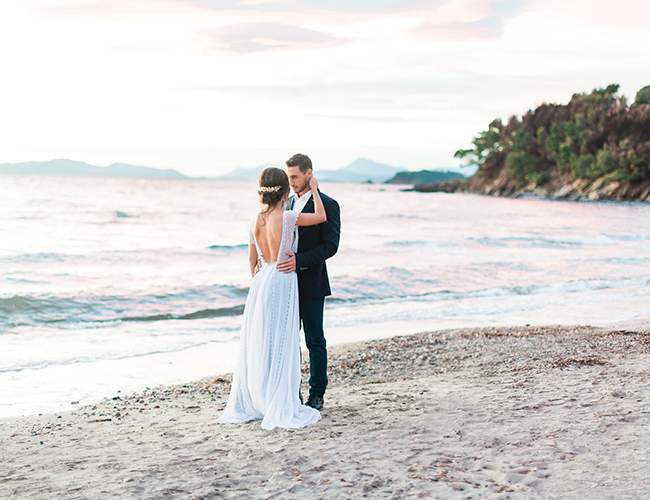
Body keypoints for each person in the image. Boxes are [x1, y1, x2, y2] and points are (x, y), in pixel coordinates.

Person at [217, 166, 327, 430]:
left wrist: (260, 279)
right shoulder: (288, 217)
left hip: (261, 283)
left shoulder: (255, 220)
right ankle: (278, 399)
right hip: (282, 279)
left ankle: (260, 397)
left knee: (262, 341)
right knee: (282, 340)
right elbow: (321, 216)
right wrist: (314, 188)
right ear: (285, 191)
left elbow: (252, 261)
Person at [277, 154, 341, 410]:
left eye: (294, 176)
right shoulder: (287, 202)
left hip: (312, 281)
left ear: (309, 174)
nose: (290, 181)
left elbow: (331, 245)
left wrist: (300, 260)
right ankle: (292, 392)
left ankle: (317, 393)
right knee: (289, 340)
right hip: (285, 282)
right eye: (288, 176)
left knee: (314, 340)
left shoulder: (328, 204)